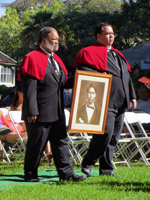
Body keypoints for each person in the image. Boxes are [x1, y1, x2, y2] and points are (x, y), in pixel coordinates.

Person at [17, 27, 86, 182]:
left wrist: (82, 76)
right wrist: (31, 111)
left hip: (57, 111)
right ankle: (30, 174)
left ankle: (67, 174)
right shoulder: (32, 58)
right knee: (37, 143)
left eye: (57, 39)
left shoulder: (56, 60)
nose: (57, 42)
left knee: (61, 142)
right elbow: (29, 88)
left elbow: (63, 83)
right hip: (39, 111)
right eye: (54, 39)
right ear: (43, 40)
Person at [73, 22, 137, 176]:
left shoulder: (118, 54)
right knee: (104, 134)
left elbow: (126, 77)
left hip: (121, 101)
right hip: (105, 101)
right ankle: (87, 164)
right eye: (108, 33)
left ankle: (106, 169)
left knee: (114, 137)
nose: (111, 36)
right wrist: (97, 74)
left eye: (112, 33)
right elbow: (82, 70)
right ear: (99, 36)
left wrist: (133, 96)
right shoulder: (89, 52)